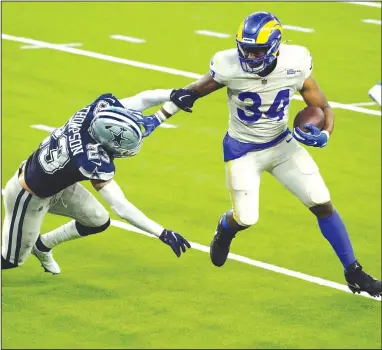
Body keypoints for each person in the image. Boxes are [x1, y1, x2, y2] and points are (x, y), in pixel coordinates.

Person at [140, 11, 382, 297]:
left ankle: (353, 272)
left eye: (257, 52)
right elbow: (189, 92)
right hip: (243, 151)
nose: (250, 58)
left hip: (282, 145)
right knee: (246, 218)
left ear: (276, 46)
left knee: (321, 202)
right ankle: (226, 226)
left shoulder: (296, 63)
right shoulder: (228, 65)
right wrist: (157, 118)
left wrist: (324, 135)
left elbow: (323, 107)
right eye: (246, 50)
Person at [1, 89, 192, 274]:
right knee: (9, 261)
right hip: (27, 196)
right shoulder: (90, 161)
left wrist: (172, 94)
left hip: (55, 182)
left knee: (97, 220)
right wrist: (162, 232)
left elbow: (141, 99)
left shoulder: (97, 112)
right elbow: (121, 206)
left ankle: (42, 246)